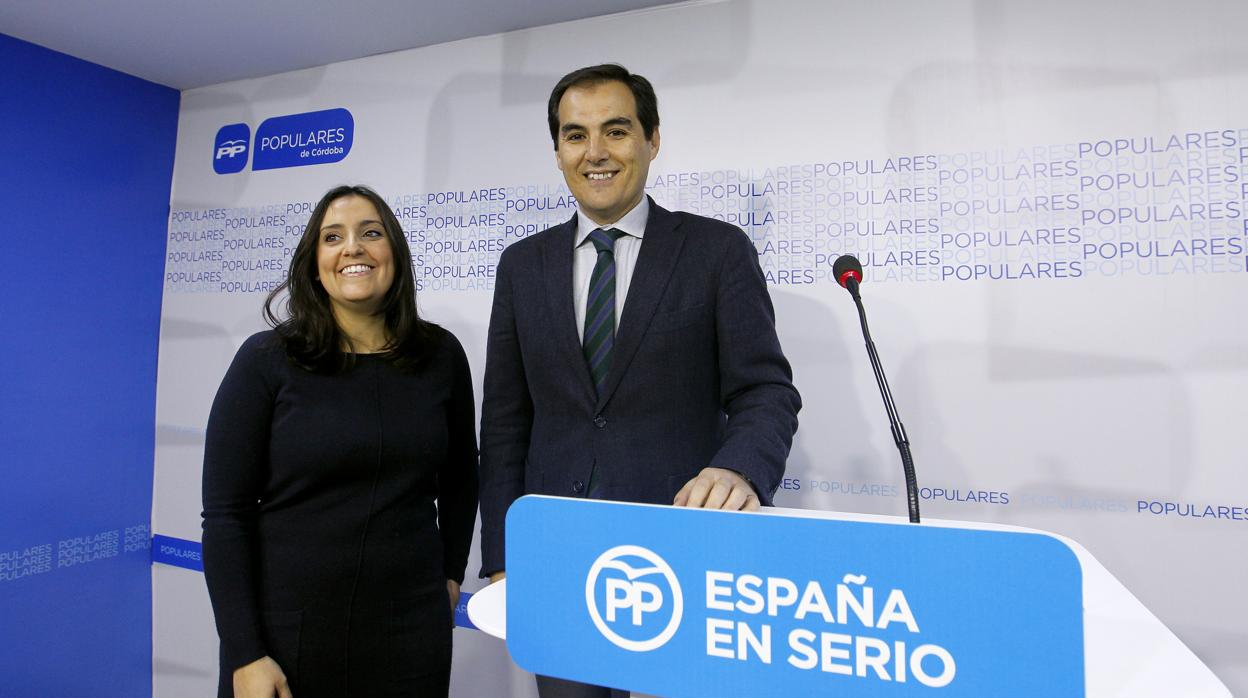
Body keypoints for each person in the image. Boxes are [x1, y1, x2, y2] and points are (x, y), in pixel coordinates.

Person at [478, 64, 801, 697]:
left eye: (616, 131)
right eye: (575, 136)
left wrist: (739, 469)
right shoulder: (521, 265)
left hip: (685, 559)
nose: (595, 152)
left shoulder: (716, 251)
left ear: (653, 139)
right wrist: (502, 556)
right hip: (560, 562)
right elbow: (506, 420)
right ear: (558, 151)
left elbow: (766, 392)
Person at [201, 185, 478, 698]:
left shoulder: (441, 355)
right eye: (334, 237)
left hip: (410, 632)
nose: (353, 247)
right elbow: (225, 514)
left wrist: (450, 572)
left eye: (370, 233)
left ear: (393, 252)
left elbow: (462, 477)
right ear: (315, 263)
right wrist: (245, 652)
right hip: (287, 634)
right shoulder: (266, 360)